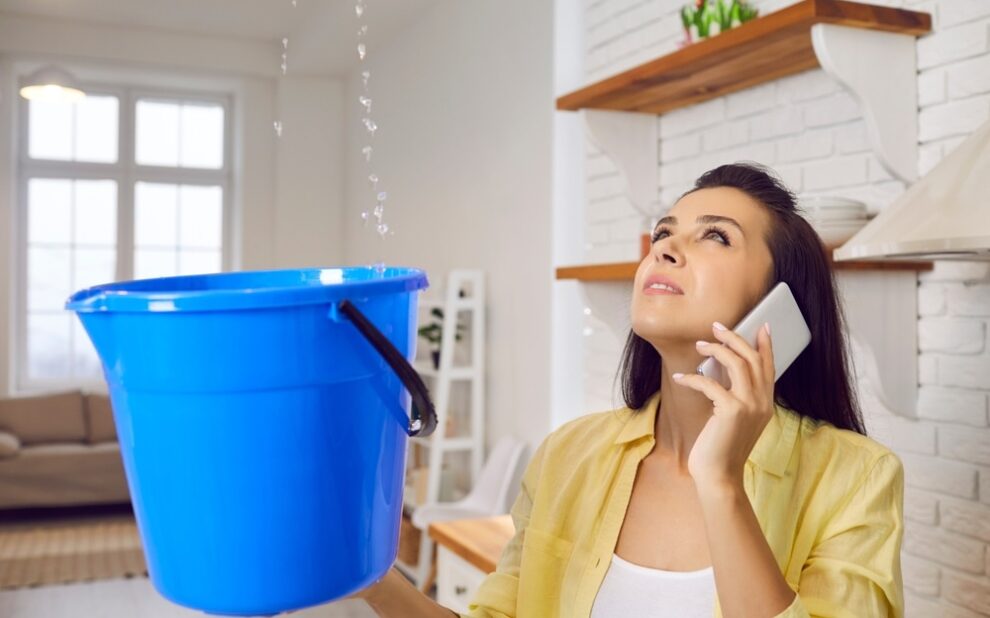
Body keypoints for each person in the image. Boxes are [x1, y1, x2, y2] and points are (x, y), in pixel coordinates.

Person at [353, 162, 904, 617]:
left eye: (715, 235)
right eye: (664, 232)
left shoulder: (855, 478)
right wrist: (373, 578)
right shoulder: (567, 455)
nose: (663, 248)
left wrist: (721, 484)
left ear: (780, 305)